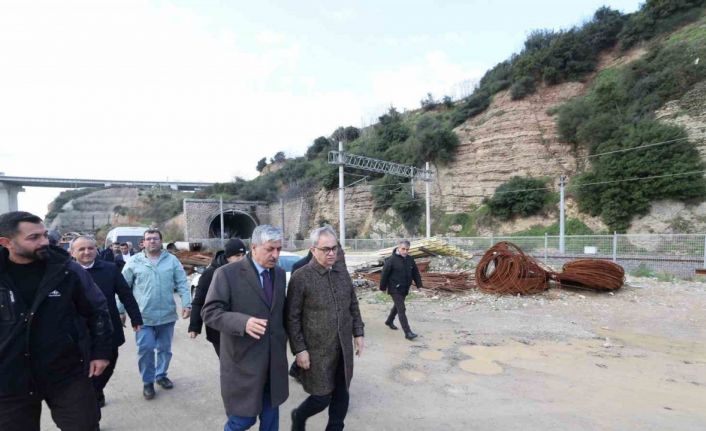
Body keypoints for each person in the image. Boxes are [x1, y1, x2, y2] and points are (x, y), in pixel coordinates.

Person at [0, 211, 113, 431]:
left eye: (44, 234)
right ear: (6, 242)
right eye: (33, 237)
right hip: (10, 378)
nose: (44, 242)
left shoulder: (66, 270)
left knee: (84, 426)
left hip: (66, 372)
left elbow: (97, 310)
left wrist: (101, 352)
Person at [202, 225, 289, 431]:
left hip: (273, 365)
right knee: (242, 421)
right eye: (270, 249)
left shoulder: (279, 274)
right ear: (254, 247)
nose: (276, 255)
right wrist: (243, 322)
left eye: (279, 249)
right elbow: (210, 312)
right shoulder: (227, 274)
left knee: (271, 421)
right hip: (244, 364)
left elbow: (282, 314)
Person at [286, 226, 365, 431]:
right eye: (326, 249)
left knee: (342, 393)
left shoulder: (341, 273)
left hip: (343, 348)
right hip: (317, 351)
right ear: (313, 250)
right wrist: (299, 350)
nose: (331, 253)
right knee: (321, 397)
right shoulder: (301, 277)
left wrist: (358, 332)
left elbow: (353, 304)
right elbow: (292, 318)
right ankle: (299, 416)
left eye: (334, 248)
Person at [70, 235, 143, 408]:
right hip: (78, 331)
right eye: (81, 249)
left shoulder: (110, 269)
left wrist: (136, 318)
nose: (87, 252)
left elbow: (125, 294)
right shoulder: (66, 273)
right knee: (82, 367)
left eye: (90, 248)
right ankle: (90, 396)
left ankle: (97, 389)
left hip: (108, 327)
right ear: (72, 252)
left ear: (97, 250)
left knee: (109, 362)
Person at [121, 229, 191, 400]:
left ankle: (161, 375)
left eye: (155, 238)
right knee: (145, 349)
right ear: (143, 242)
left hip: (166, 315)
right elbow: (123, 287)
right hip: (142, 316)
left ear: (161, 241)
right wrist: (120, 310)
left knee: (164, 349)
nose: (152, 241)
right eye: (148, 239)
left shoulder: (172, 260)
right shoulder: (134, 261)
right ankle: (148, 381)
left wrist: (186, 303)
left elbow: (182, 282)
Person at [188, 238, 247, 356]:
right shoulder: (211, 273)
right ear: (228, 257)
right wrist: (195, 326)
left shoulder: (246, 271)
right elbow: (199, 301)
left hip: (241, 326)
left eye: (243, 255)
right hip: (219, 330)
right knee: (228, 362)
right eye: (237, 256)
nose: (241, 259)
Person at [379, 239, 423, 340]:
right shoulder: (391, 260)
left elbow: (415, 273)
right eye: (403, 249)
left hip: (405, 288)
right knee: (402, 309)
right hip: (394, 288)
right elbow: (384, 275)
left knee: (397, 306)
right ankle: (408, 332)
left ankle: (389, 321)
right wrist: (383, 288)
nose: (405, 251)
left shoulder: (410, 259)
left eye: (407, 249)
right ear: (398, 248)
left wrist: (419, 285)